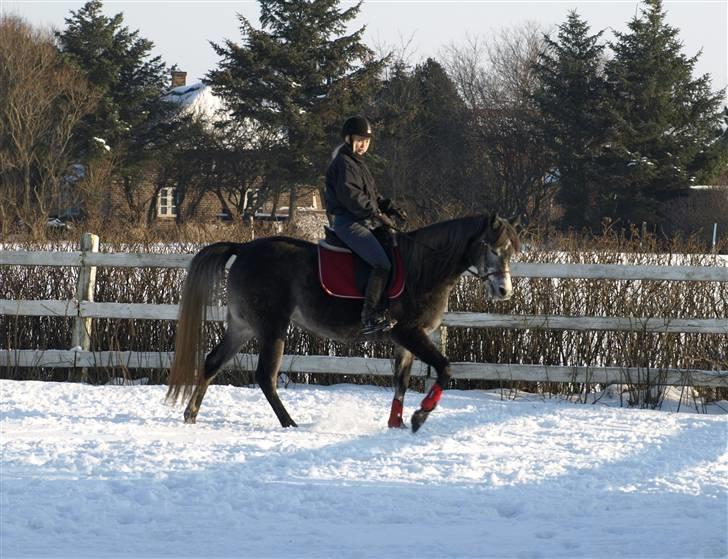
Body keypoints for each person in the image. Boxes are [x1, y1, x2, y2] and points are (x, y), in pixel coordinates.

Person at [324, 115, 407, 334]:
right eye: (360, 140)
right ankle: (370, 316)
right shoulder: (343, 163)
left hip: (363, 220)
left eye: (367, 141)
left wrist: (388, 206)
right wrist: (375, 213)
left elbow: (371, 195)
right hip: (348, 222)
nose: (363, 145)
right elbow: (351, 196)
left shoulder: (358, 163)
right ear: (349, 139)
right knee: (382, 264)